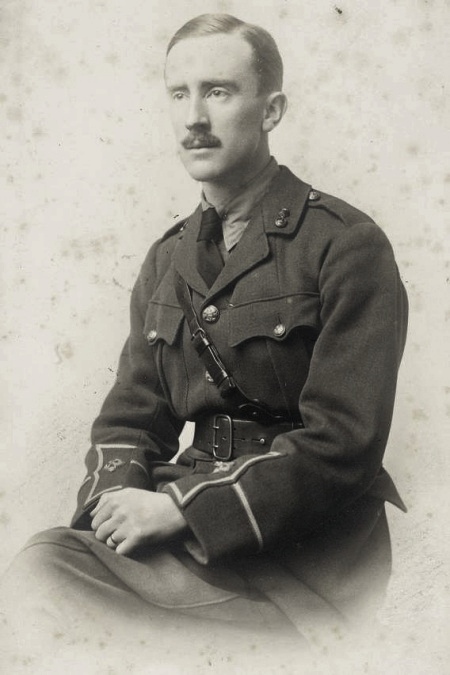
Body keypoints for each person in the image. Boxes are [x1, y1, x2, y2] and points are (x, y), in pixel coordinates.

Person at [2, 12, 408, 663]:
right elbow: (131, 418)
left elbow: (344, 443)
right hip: (189, 549)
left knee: (50, 590)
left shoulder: (344, 244)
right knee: (45, 565)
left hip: (308, 568)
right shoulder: (167, 259)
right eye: (178, 93)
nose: (194, 117)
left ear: (271, 110)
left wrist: (181, 510)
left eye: (218, 92)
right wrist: (114, 509)